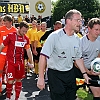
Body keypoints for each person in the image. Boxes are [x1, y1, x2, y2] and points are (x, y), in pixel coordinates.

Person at [37, 9, 89, 100]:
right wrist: (41, 78)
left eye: (81, 20)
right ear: (68, 21)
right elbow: (43, 56)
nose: (80, 23)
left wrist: (85, 74)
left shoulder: (77, 39)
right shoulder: (55, 36)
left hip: (69, 74)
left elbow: (78, 58)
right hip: (55, 75)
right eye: (78, 20)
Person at [0, 21, 34, 100]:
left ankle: (17, 98)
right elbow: (2, 45)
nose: (24, 33)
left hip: (20, 63)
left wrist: (31, 62)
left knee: (18, 80)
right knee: (10, 80)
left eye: (26, 31)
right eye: (23, 31)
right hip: (10, 62)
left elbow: (28, 51)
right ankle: (8, 96)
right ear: (19, 28)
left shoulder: (26, 39)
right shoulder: (11, 36)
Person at [74, 18, 100, 100]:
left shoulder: (99, 40)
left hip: (91, 70)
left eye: (99, 30)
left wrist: (96, 69)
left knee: (98, 92)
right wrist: (87, 72)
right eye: (96, 30)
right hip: (77, 70)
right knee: (70, 94)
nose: (98, 32)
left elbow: (98, 55)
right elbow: (76, 62)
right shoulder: (80, 42)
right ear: (89, 28)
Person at [0, 15, 17, 96]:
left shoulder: (15, 31)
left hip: (11, 55)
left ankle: (10, 89)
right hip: (2, 54)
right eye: (4, 23)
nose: (4, 25)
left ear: (11, 22)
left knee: (10, 73)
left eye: (6, 23)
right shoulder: (1, 29)